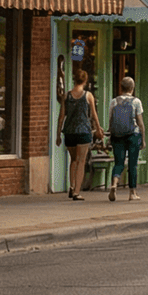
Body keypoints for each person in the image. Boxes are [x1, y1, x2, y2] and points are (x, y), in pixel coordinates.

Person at [55, 67, 104, 201]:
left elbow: (61, 117)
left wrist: (58, 134)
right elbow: (94, 115)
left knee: (73, 160)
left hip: (69, 131)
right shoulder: (88, 96)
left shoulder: (66, 96)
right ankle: (77, 192)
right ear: (85, 80)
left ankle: (71, 186)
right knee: (81, 161)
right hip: (83, 131)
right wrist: (99, 129)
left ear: (74, 79)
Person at [107, 75, 145, 202]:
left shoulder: (114, 101)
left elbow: (111, 120)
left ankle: (114, 184)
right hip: (133, 135)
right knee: (132, 165)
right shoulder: (136, 102)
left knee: (118, 163)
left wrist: (110, 135)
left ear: (121, 88)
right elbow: (140, 122)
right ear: (132, 88)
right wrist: (143, 138)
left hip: (117, 135)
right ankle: (132, 193)